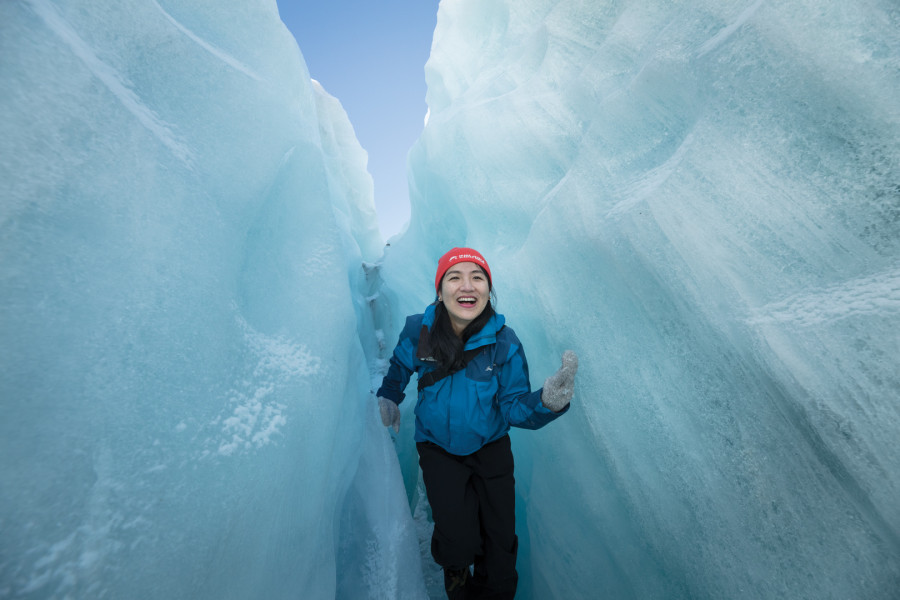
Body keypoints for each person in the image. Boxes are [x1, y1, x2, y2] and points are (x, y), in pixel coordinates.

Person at [376, 247, 578, 599]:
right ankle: (457, 577)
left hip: (490, 447)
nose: (466, 286)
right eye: (454, 277)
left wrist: (546, 403)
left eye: (477, 277)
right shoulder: (418, 330)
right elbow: (399, 367)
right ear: (440, 291)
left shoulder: (505, 343)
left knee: (499, 540)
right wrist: (390, 395)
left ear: (488, 289)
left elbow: (514, 407)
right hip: (437, 448)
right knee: (456, 536)